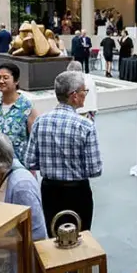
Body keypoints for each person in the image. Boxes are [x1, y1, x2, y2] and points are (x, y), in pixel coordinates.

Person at [25, 71, 103, 233]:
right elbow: (94, 169)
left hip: (49, 190)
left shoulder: (40, 121)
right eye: (84, 91)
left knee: (53, 234)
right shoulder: (85, 125)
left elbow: (30, 161)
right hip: (77, 191)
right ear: (74, 95)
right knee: (79, 236)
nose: (85, 95)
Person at [0, 63, 36, 162]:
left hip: (20, 163)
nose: (1, 81)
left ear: (16, 81)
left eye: (5, 78)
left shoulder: (27, 107)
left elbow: (34, 139)